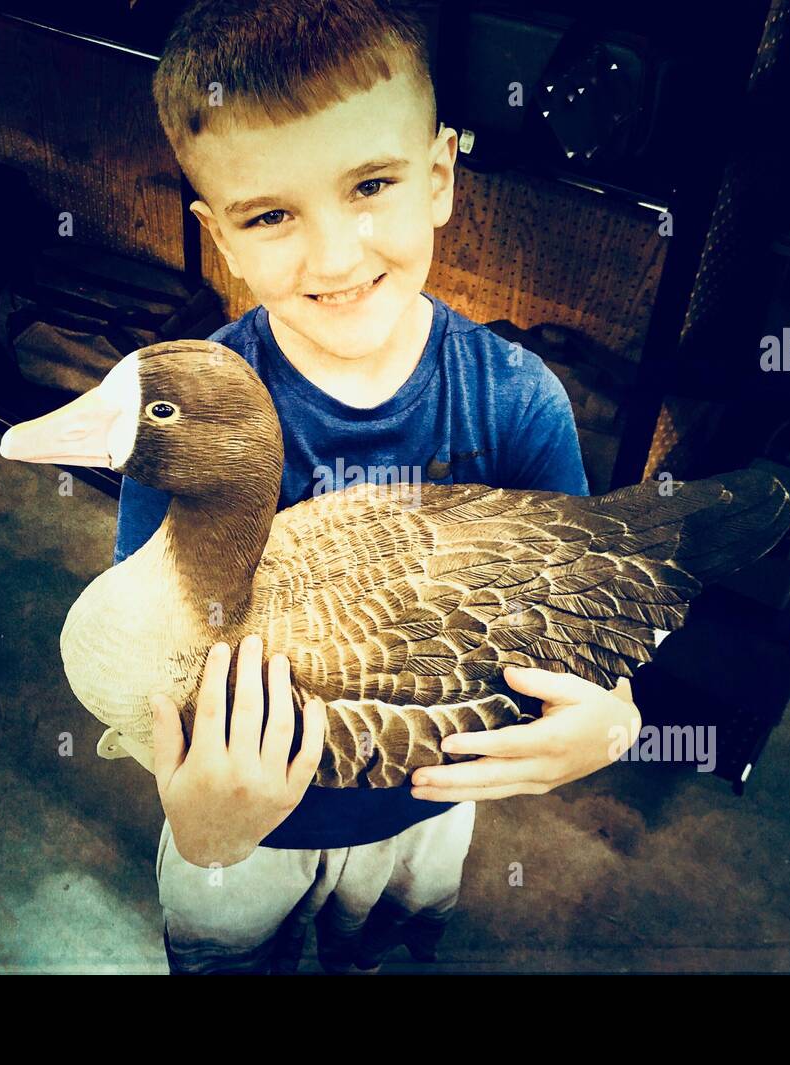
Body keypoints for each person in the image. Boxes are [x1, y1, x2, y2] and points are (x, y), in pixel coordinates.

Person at [116, 0, 641, 974]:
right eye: (270, 214)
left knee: (388, 951)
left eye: (370, 185)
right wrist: (188, 807)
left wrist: (615, 712)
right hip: (247, 828)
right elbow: (154, 650)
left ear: (438, 175)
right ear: (219, 236)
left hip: (428, 809)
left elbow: (581, 615)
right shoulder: (181, 418)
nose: (335, 255)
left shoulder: (520, 405)